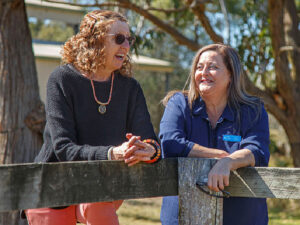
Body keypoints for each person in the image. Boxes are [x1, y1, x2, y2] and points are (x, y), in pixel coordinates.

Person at [24, 10, 161, 225]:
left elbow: (151, 141)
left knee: (99, 203)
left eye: (129, 39)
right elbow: (63, 148)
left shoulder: (130, 87)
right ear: (94, 40)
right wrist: (112, 153)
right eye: (118, 38)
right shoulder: (61, 79)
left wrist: (148, 150)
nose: (126, 45)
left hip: (101, 187)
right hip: (53, 189)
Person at [159, 43, 270, 225]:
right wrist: (217, 156)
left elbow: (257, 150)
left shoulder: (253, 110)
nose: (204, 72)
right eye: (199, 67)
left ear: (231, 75)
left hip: (242, 218)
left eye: (213, 67)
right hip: (183, 217)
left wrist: (229, 162)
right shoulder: (179, 103)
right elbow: (170, 142)